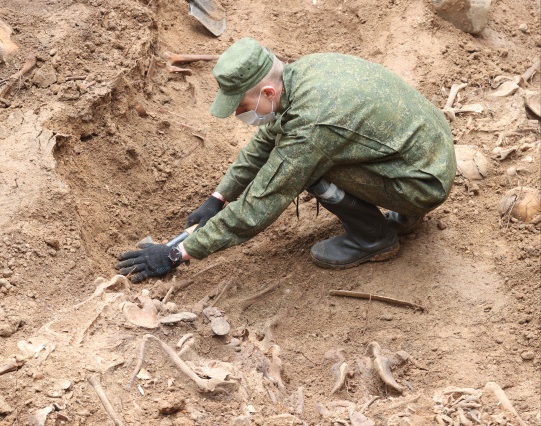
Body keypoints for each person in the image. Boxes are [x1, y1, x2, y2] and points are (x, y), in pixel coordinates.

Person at [116, 37, 456, 282]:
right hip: (425, 151)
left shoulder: (312, 125)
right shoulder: (304, 71)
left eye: (243, 107)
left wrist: (179, 253)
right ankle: (405, 216)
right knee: (313, 152)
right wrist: (218, 198)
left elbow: (260, 204)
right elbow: (268, 138)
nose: (242, 115)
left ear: (266, 93)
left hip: (422, 181)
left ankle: (374, 238)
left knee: (310, 171)